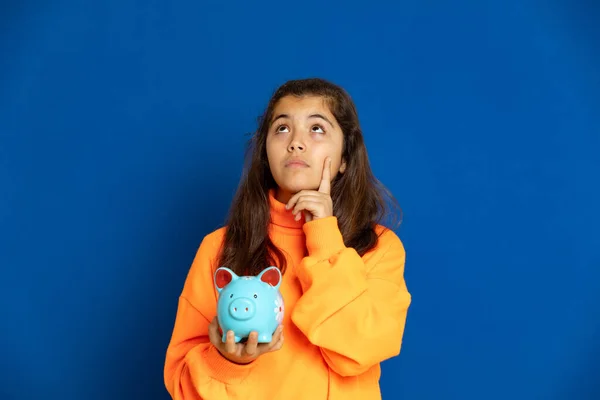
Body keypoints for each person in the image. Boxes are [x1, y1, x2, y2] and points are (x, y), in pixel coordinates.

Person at [163, 78, 412, 399]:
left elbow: (357, 351)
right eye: (282, 128)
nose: (296, 142)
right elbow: (181, 384)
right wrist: (228, 361)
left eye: (317, 129)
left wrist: (324, 234)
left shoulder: (379, 246)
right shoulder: (221, 247)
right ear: (265, 153)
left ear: (346, 158)